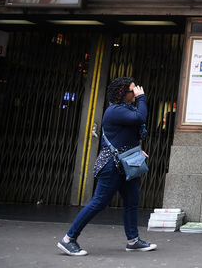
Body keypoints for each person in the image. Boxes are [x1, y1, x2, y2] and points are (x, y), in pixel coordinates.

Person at [57, 77, 156, 256]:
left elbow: (125, 136)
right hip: (111, 165)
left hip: (127, 163)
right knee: (99, 202)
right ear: (122, 93)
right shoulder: (115, 110)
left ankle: (133, 240)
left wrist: (137, 151)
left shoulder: (125, 109)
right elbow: (140, 117)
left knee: (132, 201)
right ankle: (68, 239)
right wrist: (142, 98)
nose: (136, 93)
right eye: (133, 90)